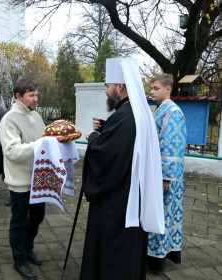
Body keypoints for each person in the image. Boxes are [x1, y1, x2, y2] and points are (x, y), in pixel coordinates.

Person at [80, 58, 164, 280]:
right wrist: (107, 128)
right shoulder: (134, 112)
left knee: (112, 256)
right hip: (131, 193)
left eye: (108, 86)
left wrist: (94, 137)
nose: (106, 92)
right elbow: (127, 143)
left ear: (120, 87)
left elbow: (107, 156)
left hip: (117, 202)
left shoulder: (126, 116)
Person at [0, 78, 46, 280]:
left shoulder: (36, 115)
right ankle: (19, 261)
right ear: (18, 97)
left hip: (39, 179)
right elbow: (12, 152)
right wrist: (42, 143)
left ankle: (28, 248)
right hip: (20, 182)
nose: (36, 98)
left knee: (37, 217)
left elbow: (46, 138)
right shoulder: (9, 119)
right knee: (19, 221)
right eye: (31, 95)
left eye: (36, 94)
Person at [147, 74, 187, 271]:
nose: (151, 91)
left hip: (165, 177)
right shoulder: (160, 110)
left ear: (168, 89)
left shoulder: (173, 112)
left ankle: (157, 260)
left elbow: (172, 146)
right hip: (158, 174)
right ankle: (153, 255)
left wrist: (165, 177)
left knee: (163, 215)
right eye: (151, 88)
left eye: (156, 88)